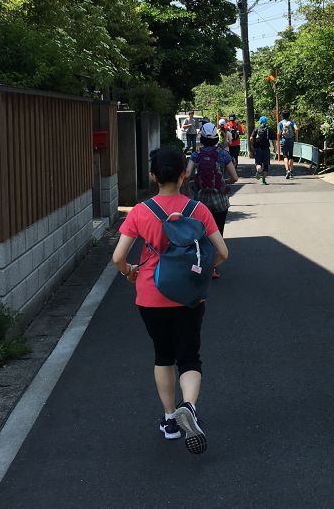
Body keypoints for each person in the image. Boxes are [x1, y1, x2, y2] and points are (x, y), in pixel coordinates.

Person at [112, 147, 229, 455]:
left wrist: (130, 272)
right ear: (183, 174)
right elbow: (222, 252)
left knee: (163, 355)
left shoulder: (140, 211)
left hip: (151, 295)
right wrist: (202, 274)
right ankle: (188, 406)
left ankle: (169, 421)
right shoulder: (197, 210)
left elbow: (118, 257)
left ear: (152, 176)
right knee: (190, 356)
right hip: (190, 296)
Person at [186, 122, 238, 279]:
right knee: (217, 233)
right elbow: (235, 178)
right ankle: (213, 268)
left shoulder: (196, 154)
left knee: (200, 233)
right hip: (219, 201)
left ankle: (199, 265)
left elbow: (187, 174)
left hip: (200, 200)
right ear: (216, 138)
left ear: (201, 138)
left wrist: (192, 185)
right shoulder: (223, 154)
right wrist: (222, 182)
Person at [249, 115, 272, 184]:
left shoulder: (256, 129)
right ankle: (263, 180)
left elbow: (251, 138)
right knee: (265, 165)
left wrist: (252, 145)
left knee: (258, 163)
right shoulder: (269, 129)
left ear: (260, 121)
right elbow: (273, 139)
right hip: (266, 149)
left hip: (258, 148)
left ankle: (258, 170)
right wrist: (275, 148)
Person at [278, 111, 298, 179]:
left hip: (284, 140)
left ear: (282, 115)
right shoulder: (292, 122)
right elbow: (296, 129)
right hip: (291, 140)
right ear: (289, 115)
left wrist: (279, 140)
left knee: (285, 156)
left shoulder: (280, 123)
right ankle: (291, 171)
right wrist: (296, 138)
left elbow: (278, 133)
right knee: (291, 156)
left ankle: (287, 170)